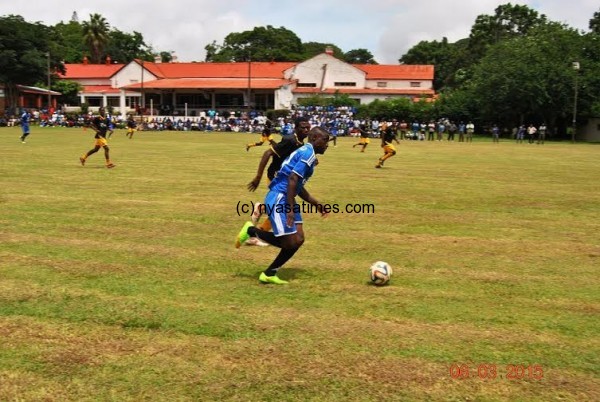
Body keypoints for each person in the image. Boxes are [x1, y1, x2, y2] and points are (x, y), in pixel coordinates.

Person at [235, 126, 331, 284]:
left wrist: (316, 203)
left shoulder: (308, 153)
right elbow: (292, 180)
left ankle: (270, 273)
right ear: (314, 139)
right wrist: (291, 209)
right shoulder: (307, 154)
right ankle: (251, 231)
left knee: (298, 239)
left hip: (286, 196)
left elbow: (297, 185)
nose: (326, 145)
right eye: (324, 141)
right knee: (289, 241)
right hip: (280, 197)